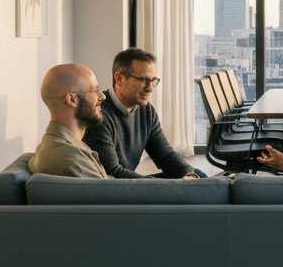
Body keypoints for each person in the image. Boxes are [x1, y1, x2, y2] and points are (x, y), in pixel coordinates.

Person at [84, 47, 204, 179]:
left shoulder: (146, 111)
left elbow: (165, 155)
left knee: (198, 174)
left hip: (129, 183)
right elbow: (113, 173)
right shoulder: (98, 115)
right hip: (114, 189)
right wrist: (167, 185)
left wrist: (189, 175)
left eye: (153, 81)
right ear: (119, 79)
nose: (150, 88)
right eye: (143, 80)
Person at [29, 63, 109, 178]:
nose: (102, 96)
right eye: (94, 90)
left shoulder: (61, 146)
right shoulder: (72, 159)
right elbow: (108, 194)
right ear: (72, 100)